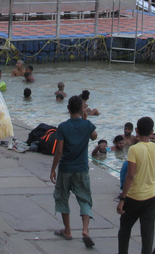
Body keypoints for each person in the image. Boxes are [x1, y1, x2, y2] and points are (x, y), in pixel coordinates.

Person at [51, 95, 98, 248]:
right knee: (84, 198)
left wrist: (53, 169)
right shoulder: (87, 125)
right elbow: (94, 137)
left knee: (62, 197)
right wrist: (85, 119)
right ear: (81, 109)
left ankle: (67, 230)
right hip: (82, 168)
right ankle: (85, 229)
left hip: (66, 168)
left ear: (68, 108)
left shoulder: (63, 127)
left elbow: (59, 151)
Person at [117, 116, 155, 254]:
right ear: (152, 131)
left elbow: (130, 176)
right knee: (147, 232)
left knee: (125, 229)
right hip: (151, 194)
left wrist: (122, 198)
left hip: (135, 196)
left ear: (136, 130)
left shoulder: (134, 149)